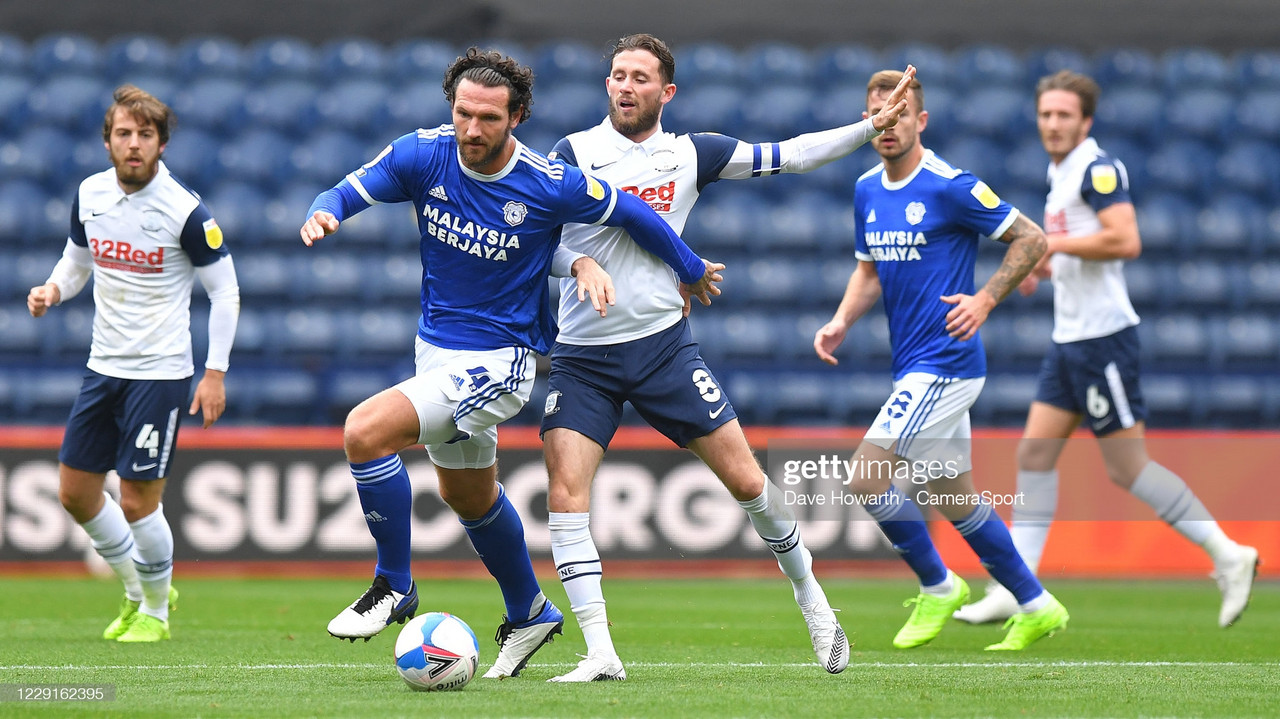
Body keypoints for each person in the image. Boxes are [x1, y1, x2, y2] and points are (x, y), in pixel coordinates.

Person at [300, 47, 721, 679]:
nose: (472, 129)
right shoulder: (424, 153)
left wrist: (688, 268)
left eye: (489, 119)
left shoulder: (548, 182)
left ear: (517, 117)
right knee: (467, 495)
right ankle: (529, 611)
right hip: (436, 352)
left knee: (364, 431)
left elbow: (633, 213)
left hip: (502, 364)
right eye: (463, 113)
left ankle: (394, 585)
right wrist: (324, 210)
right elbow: (349, 188)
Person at [537, 33, 916, 682]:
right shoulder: (572, 153)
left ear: (667, 91)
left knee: (747, 483)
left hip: (663, 349)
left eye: (640, 77)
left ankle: (810, 594)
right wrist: (576, 261)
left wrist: (865, 128)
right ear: (607, 85)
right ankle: (600, 650)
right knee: (566, 493)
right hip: (583, 357)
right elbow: (533, 242)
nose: (626, 86)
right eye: (617, 75)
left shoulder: (691, 155)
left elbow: (792, 156)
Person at [954, 70, 1260, 628]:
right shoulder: (1061, 173)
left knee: (1127, 466)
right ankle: (1017, 588)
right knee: (1034, 456)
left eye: (1064, 115)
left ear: (1085, 121)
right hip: (1070, 339)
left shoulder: (1096, 169)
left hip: (1103, 341)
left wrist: (1050, 245)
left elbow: (1126, 238)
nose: (1053, 124)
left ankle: (1229, 554)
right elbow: (1077, 249)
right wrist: (1042, 268)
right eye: (1046, 114)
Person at [813, 69, 1067, 651]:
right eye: (878, 116)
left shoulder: (952, 186)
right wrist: (841, 321)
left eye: (900, 115)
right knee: (953, 495)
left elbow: (1031, 239)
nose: (888, 126)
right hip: (915, 366)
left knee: (866, 476)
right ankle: (1036, 604)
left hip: (947, 362)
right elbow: (868, 270)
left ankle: (937, 584)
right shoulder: (866, 189)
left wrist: (984, 299)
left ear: (920, 121)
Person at [26, 84, 241, 643]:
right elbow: (76, 263)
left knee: (137, 501)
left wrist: (214, 372)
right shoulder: (90, 195)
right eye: (124, 133)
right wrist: (52, 289)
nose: (134, 144)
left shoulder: (186, 211)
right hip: (104, 367)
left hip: (161, 372)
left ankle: (156, 615)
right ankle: (139, 592)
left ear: (162, 144)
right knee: (74, 493)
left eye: (146, 135)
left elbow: (226, 292)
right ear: (108, 142)